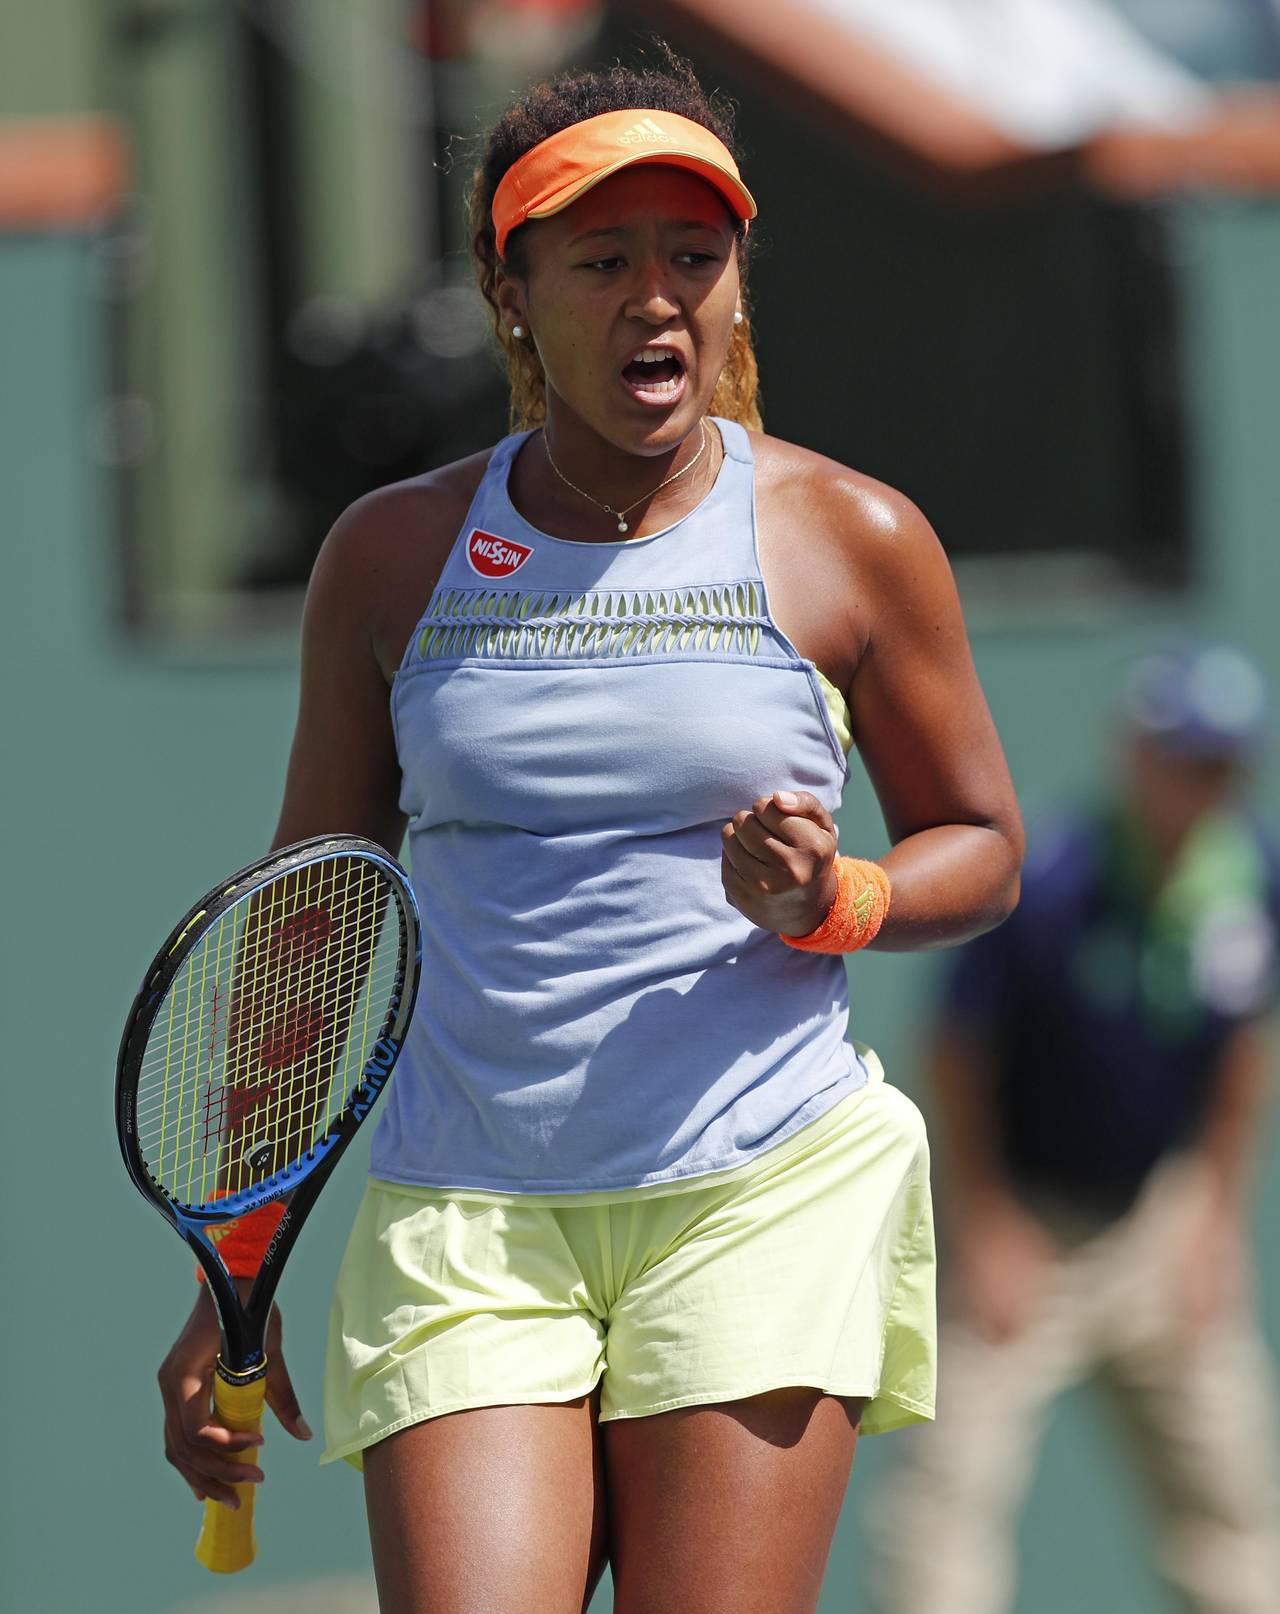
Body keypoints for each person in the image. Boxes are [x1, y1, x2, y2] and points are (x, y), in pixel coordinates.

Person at [155, 49, 1022, 1613]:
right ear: (515, 292)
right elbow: (310, 925)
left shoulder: (854, 537)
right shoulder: (395, 554)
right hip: (470, 1213)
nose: (657, 297)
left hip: (761, 1188)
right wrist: (240, 1251)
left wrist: (838, 896)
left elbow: (984, 842)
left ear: (739, 286)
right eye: (604, 259)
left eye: (695, 256)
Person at [868, 642, 1280, 1614]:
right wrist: (987, 1225)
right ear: (1133, 755)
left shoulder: (1250, 871)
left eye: (1219, 763)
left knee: (1230, 1505)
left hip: (1157, 1219)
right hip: (1024, 1224)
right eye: (1182, 758)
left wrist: (1212, 1215)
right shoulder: (1051, 880)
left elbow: (1241, 1048)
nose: (1199, 785)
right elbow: (954, 1051)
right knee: (946, 1501)